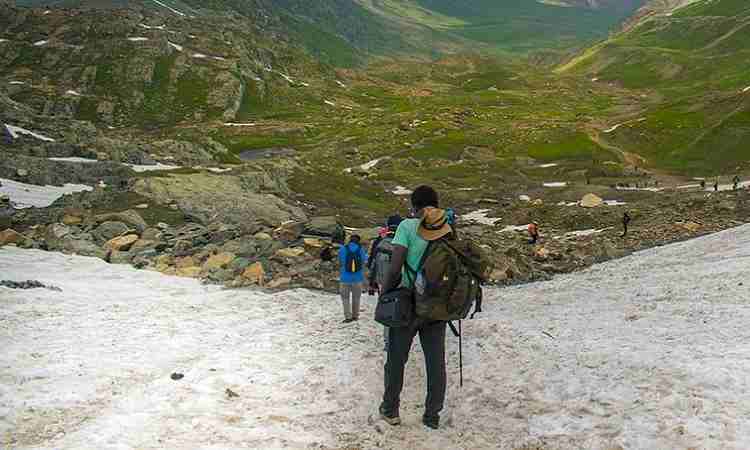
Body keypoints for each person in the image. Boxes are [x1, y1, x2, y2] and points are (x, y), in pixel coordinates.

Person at [379, 185, 450, 430]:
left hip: (407, 303)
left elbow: (395, 265)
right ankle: (432, 416)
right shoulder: (448, 229)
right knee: (436, 362)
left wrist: (385, 292)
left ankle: (390, 410)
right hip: (437, 304)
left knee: (397, 359)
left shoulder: (407, 227)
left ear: (415, 205)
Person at [368, 215, 403, 350]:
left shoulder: (380, 242)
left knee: (387, 312)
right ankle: (397, 340)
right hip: (399, 283)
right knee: (400, 310)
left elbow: (372, 264)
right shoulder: (402, 243)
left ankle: (388, 342)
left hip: (383, 283)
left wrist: (372, 283)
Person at [338, 234, 367, 324]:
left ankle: (348, 316)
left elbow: (341, 261)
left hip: (344, 278)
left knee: (345, 298)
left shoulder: (343, 249)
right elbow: (364, 261)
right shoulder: (361, 250)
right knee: (356, 298)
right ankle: (355, 316)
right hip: (357, 278)